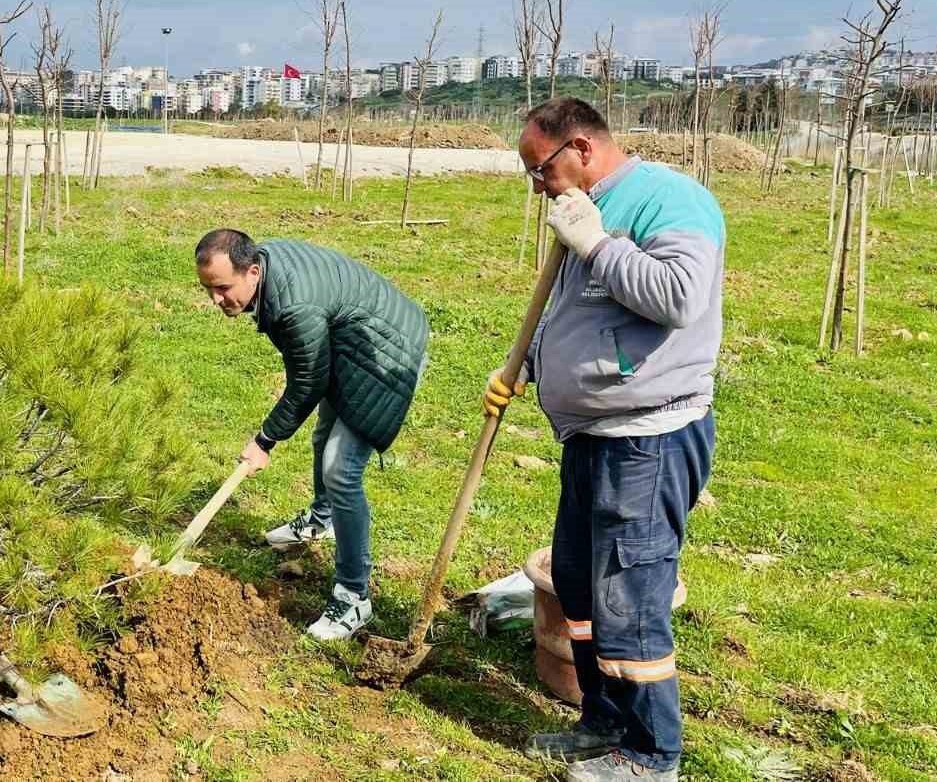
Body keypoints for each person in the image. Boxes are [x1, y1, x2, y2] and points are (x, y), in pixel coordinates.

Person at [485, 98, 723, 782]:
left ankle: (652, 757)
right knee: (581, 588)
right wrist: (526, 369)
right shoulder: (581, 206)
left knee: (630, 598)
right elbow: (580, 314)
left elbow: (678, 297)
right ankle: (602, 721)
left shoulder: (671, 200)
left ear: (582, 148)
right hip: (591, 435)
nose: (537, 185)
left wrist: (597, 243)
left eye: (541, 169)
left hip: (646, 440)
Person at [195, 230, 429, 641]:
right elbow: (312, 370)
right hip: (354, 339)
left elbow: (307, 380)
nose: (216, 300)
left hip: (388, 348)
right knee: (324, 435)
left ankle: (354, 595)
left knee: (341, 467)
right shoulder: (268, 271)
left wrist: (265, 440)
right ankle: (322, 520)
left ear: (252, 271)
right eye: (208, 289)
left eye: (222, 288)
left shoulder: (294, 305)